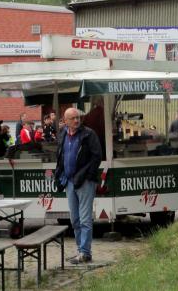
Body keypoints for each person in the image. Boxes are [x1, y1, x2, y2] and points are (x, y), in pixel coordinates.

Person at [55, 108, 101, 265]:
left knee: (85, 218)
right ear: (65, 120)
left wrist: (88, 176)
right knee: (74, 219)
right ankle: (80, 251)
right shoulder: (62, 134)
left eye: (78, 117)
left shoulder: (88, 134)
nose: (76, 120)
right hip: (69, 181)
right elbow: (60, 155)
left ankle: (85, 252)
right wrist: (59, 174)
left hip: (85, 182)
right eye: (73, 118)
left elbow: (97, 156)